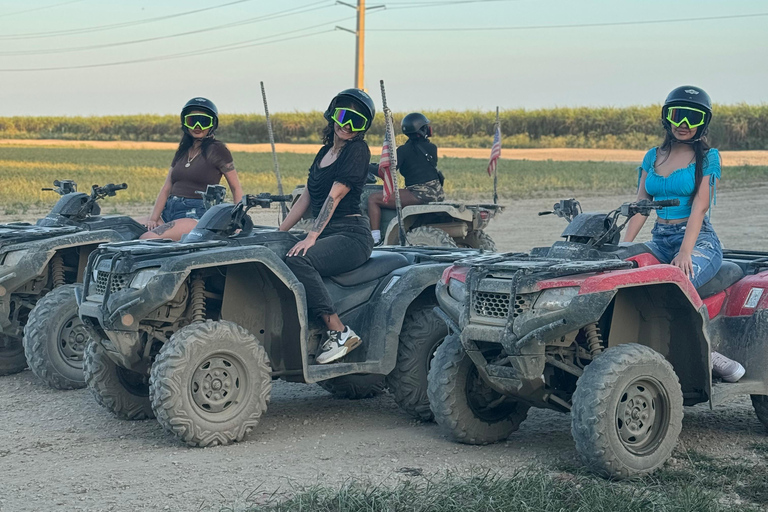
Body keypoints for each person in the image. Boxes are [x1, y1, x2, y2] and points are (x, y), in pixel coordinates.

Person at [624, 85, 744, 382]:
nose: (685, 125)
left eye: (693, 118)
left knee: (674, 284)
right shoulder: (653, 156)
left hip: (698, 240)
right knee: (623, 278)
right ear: (668, 118)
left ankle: (708, 351)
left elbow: (699, 208)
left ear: (702, 122)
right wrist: (621, 248)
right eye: (679, 116)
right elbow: (641, 207)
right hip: (660, 240)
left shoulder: (708, 157)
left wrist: (686, 252)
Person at [278, 89, 375, 364]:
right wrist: (280, 232)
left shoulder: (357, 150)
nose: (347, 125)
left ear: (362, 129)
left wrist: (311, 236)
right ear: (332, 115)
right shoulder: (323, 153)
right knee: (278, 249)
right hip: (328, 233)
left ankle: (339, 331)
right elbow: (306, 198)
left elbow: (335, 195)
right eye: (344, 116)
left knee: (299, 260)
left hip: (351, 234)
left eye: (356, 122)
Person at [139, 97, 243, 240]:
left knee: (147, 238)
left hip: (195, 215)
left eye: (204, 121)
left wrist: (237, 222)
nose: (198, 126)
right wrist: (153, 218)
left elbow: (236, 188)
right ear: (185, 123)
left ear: (212, 124)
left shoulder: (217, 150)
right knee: (124, 229)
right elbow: (167, 187)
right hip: (168, 210)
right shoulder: (183, 150)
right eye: (192, 121)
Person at [367, 112, 445, 245]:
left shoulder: (403, 151)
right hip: (436, 193)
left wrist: (366, 166)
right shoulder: (431, 148)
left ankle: (375, 239)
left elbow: (385, 173)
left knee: (373, 199)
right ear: (423, 129)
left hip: (419, 193)